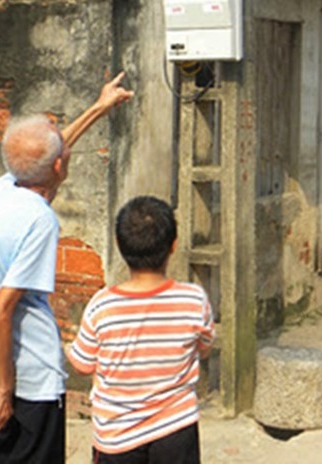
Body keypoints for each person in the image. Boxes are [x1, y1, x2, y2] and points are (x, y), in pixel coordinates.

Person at [0, 71, 134, 464]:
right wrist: (7, 390)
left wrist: (99, 108)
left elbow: (52, 149)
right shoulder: (39, 219)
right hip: (24, 385)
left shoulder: (3, 188)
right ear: (57, 168)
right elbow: (0, 311)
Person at [67, 195, 215, 464]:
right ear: (173, 246)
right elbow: (204, 348)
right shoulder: (193, 300)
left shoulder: (102, 306)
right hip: (176, 429)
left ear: (119, 245)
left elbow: (82, 364)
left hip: (116, 436)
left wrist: (67, 347)